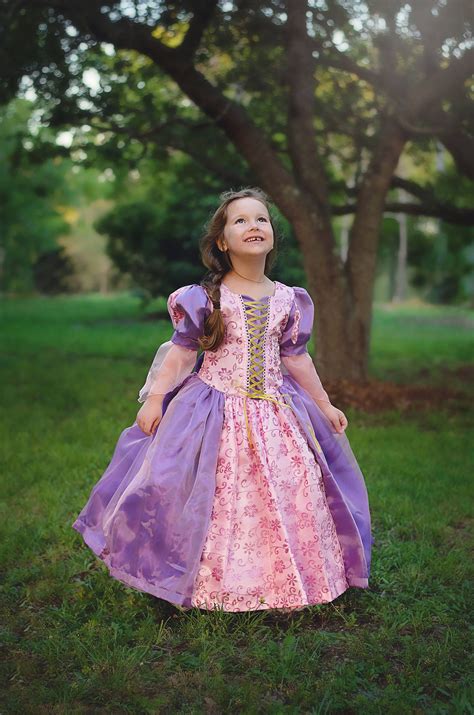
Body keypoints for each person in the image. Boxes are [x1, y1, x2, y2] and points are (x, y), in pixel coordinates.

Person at [72, 187, 373, 613]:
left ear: (272, 234)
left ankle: (286, 581)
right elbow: (181, 354)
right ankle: (209, 584)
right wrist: (155, 398)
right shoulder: (207, 298)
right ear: (222, 241)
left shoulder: (288, 299)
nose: (254, 226)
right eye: (240, 220)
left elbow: (296, 358)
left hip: (276, 412)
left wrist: (324, 404)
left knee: (291, 486)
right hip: (214, 409)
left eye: (261, 219)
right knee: (209, 493)